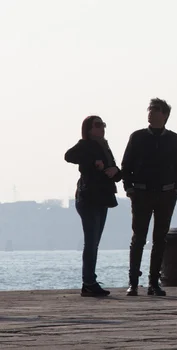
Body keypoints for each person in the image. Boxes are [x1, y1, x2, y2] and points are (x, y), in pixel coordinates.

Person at [121, 98, 177, 296]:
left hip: (166, 194)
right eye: (150, 109)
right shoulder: (137, 137)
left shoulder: (173, 139)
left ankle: (153, 283)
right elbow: (127, 164)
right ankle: (133, 282)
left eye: (156, 110)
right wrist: (129, 188)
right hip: (141, 193)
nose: (151, 112)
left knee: (160, 239)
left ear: (165, 115)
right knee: (138, 238)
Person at [65, 115, 121, 297]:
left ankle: (89, 281)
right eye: (98, 125)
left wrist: (115, 171)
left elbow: (114, 171)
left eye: (103, 124)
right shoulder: (85, 145)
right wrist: (92, 163)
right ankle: (89, 282)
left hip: (102, 198)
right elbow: (68, 156)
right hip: (88, 198)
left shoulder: (105, 147)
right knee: (91, 241)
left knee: (94, 242)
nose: (102, 127)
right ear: (88, 129)